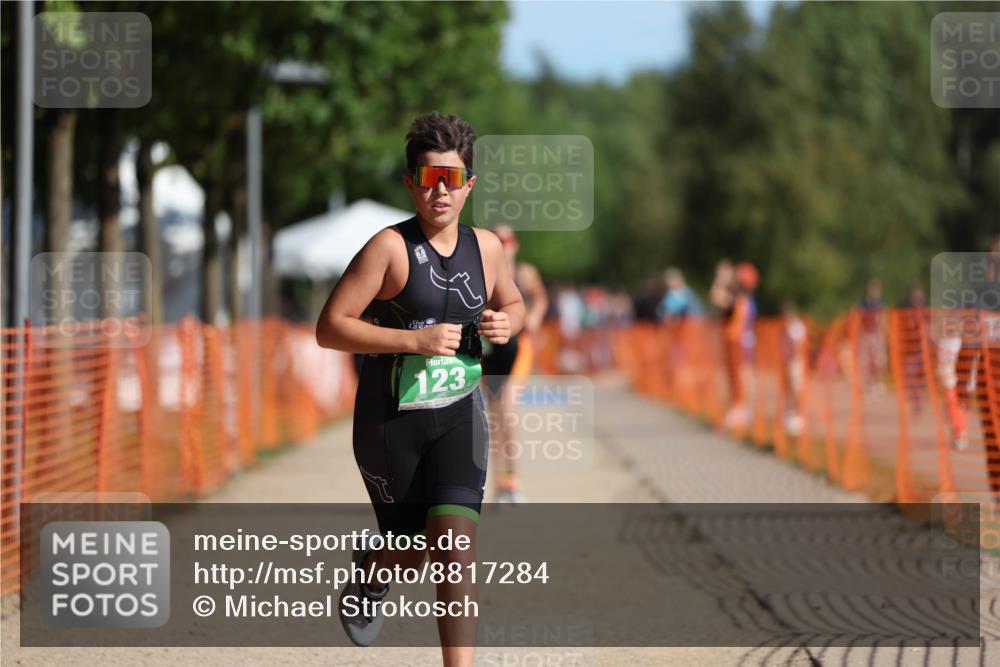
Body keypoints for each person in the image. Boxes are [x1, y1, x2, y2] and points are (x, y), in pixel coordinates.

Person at [316, 111, 525, 663]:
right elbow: (330, 327)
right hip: (391, 420)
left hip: (460, 416)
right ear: (411, 183)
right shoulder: (387, 248)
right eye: (429, 178)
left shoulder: (488, 248)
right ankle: (373, 572)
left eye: (451, 179)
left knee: (454, 551)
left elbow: (514, 302)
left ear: (469, 185)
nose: (440, 191)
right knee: (411, 554)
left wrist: (508, 322)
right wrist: (414, 341)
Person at [480, 224, 548, 505]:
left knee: (507, 411)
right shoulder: (483, 272)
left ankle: (513, 481)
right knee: (495, 417)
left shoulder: (525, 272)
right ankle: (501, 484)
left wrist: (533, 317)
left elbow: (541, 298)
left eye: (507, 239)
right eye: (497, 238)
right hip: (490, 351)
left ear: (515, 244)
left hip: (519, 348)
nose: (503, 244)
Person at [723, 262, 758, 432]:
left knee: (743, 375)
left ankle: (743, 409)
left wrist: (722, 281)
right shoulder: (743, 300)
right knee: (740, 375)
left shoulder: (743, 301)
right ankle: (739, 408)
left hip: (742, 342)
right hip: (740, 341)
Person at [858, 278, 887, 395]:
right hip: (866, 335)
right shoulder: (863, 304)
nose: (875, 292)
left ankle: (877, 382)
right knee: (865, 361)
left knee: (878, 361)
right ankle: (867, 384)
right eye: (873, 289)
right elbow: (858, 319)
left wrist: (883, 333)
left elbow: (883, 319)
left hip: (877, 335)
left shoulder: (880, 305)